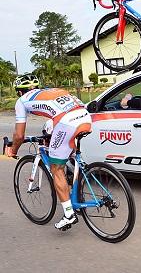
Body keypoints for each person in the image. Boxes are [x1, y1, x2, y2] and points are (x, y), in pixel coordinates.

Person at [6, 75, 92, 231]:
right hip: (85, 116)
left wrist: (13, 150)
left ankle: (68, 215)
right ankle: (77, 195)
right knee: (70, 157)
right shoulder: (51, 91)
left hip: (67, 122)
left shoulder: (22, 101)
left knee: (56, 168)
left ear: (19, 91)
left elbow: (19, 135)